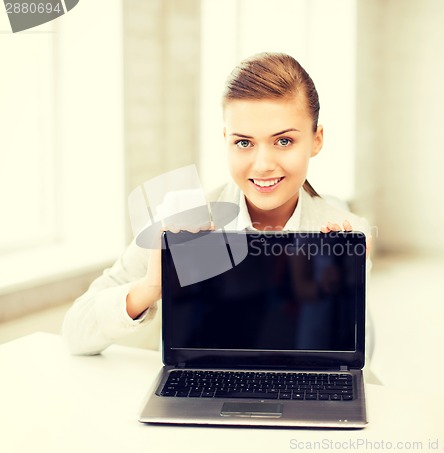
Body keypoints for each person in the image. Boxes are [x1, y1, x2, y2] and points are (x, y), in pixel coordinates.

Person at [62, 52, 372, 355]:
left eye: (284, 141)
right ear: (226, 139)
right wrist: (153, 284)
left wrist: (339, 297)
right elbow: (76, 331)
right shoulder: (183, 219)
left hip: (303, 396)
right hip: (201, 395)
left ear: (316, 139)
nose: (263, 164)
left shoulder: (344, 236)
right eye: (244, 142)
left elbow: (354, 360)